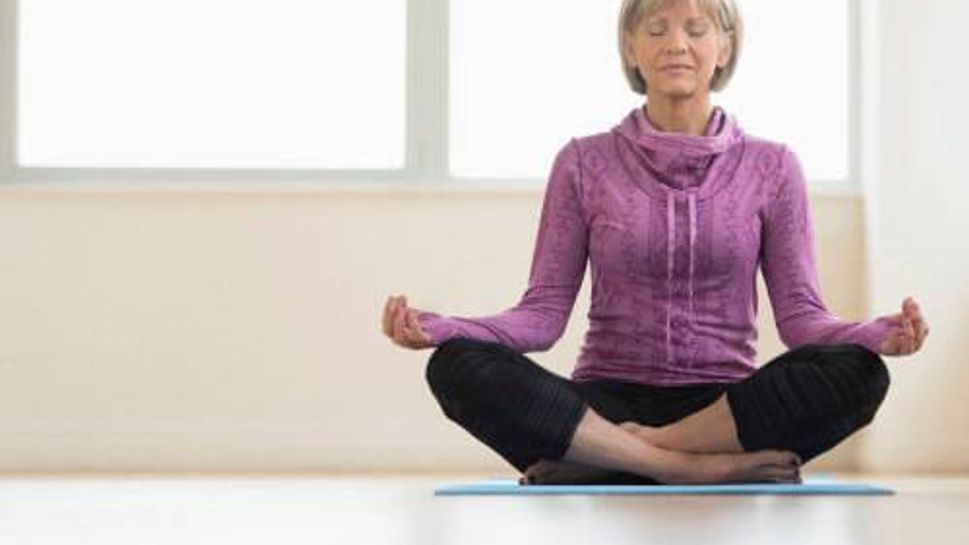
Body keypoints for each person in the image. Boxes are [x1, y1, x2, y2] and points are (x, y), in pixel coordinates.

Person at [380, 0, 930, 485]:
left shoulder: (774, 167)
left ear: (724, 47)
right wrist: (447, 329)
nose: (676, 44)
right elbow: (541, 317)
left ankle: (616, 457)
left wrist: (869, 334)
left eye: (696, 28)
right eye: (657, 28)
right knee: (457, 366)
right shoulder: (582, 163)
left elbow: (802, 320)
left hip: (725, 407)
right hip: (603, 399)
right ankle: (685, 467)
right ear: (631, 47)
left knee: (859, 374)